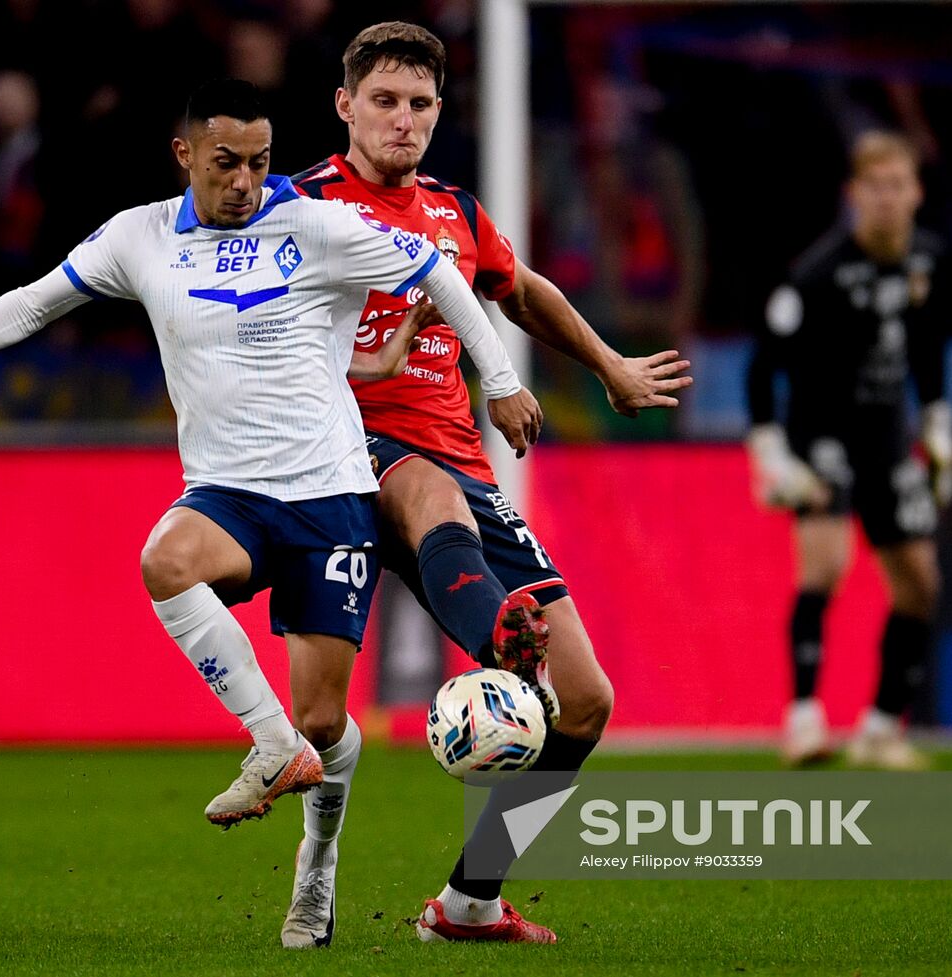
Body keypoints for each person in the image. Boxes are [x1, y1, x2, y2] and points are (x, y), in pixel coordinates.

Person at [0, 79, 539, 844]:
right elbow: (35, 302)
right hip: (229, 493)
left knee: (326, 720)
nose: (244, 182)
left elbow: (435, 271)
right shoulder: (139, 238)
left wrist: (498, 381)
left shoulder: (321, 226)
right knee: (164, 561)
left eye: (260, 163)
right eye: (225, 162)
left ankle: (317, 865)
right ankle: (270, 745)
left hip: (332, 494)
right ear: (185, 154)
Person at [286, 22, 693, 946]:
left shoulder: (455, 213)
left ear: (439, 112)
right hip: (347, 462)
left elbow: (524, 288)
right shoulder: (298, 207)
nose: (403, 121)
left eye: (420, 104)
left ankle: (470, 899)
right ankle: (497, 643)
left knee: (585, 699)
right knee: (418, 505)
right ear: (346, 105)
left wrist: (605, 364)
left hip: (464, 472)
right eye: (383, 102)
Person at [745, 130, 952, 770]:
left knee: (920, 583)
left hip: (889, 439)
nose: (887, 200)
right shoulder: (817, 274)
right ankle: (804, 719)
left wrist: (938, 424)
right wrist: (769, 450)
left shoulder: (927, 259)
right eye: (875, 188)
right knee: (826, 566)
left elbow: (928, 348)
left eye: (898, 186)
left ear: (916, 192)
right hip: (823, 435)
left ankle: (882, 727)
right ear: (854, 196)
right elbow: (762, 367)